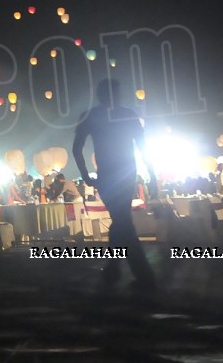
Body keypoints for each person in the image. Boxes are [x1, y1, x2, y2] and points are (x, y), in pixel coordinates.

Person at [73, 78, 157, 290]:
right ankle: (134, 274)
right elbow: (143, 147)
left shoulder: (91, 115)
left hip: (108, 176)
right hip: (126, 174)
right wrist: (152, 176)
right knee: (122, 220)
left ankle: (120, 270)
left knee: (121, 221)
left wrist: (85, 174)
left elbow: (77, 148)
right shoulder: (128, 114)